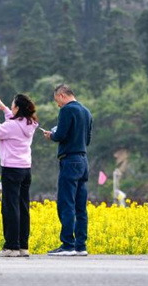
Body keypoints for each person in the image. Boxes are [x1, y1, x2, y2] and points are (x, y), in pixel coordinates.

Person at [0, 94, 39, 258]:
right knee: (23, 207)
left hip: (11, 170)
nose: (11, 108)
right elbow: (14, 122)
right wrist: (4, 108)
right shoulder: (29, 123)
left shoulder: (12, 126)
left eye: (13, 105)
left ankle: (12, 246)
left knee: (10, 208)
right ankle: (23, 246)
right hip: (25, 170)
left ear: (18, 108)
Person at [42, 83, 92, 256]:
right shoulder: (86, 111)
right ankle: (80, 246)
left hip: (69, 160)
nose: (58, 105)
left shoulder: (66, 110)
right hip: (83, 160)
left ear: (62, 95)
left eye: (57, 100)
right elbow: (87, 139)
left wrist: (51, 135)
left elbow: (61, 135)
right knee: (80, 206)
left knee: (66, 203)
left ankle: (67, 245)